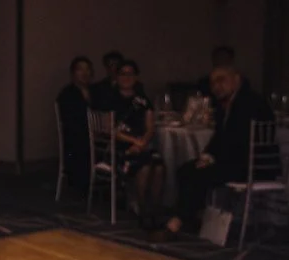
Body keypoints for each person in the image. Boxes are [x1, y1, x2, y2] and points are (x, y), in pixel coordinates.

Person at [166, 65, 274, 234]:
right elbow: (219, 138)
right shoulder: (227, 104)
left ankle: (178, 221)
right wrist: (207, 155)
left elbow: (241, 142)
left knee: (198, 175)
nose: (217, 86)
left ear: (237, 80)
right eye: (213, 82)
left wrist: (213, 160)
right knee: (186, 170)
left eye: (222, 80)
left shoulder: (250, 103)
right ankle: (192, 216)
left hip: (251, 165)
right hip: (233, 161)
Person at [110, 60, 165, 228]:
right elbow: (110, 130)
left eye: (131, 74)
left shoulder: (143, 99)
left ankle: (153, 210)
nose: (127, 77)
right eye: (123, 74)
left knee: (159, 166)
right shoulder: (110, 98)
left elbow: (150, 127)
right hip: (119, 147)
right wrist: (135, 142)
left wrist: (142, 142)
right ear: (117, 77)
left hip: (142, 145)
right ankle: (142, 210)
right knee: (145, 166)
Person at [56, 56, 94, 195]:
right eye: (80, 69)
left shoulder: (95, 92)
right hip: (78, 140)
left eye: (87, 69)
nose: (84, 73)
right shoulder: (67, 94)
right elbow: (71, 122)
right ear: (73, 73)